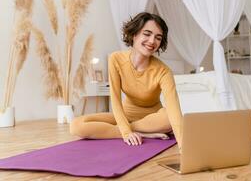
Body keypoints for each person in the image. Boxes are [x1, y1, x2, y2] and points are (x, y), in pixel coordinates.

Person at [70, 12, 182, 148]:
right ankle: (141, 132)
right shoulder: (115, 59)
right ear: (134, 34)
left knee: (169, 117)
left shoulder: (164, 71)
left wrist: (184, 147)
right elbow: (115, 100)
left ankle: (139, 129)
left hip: (154, 119)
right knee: (76, 125)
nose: (152, 41)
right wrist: (126, 131)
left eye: (158, 37)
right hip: (125, 114)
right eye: (147, 34)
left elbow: (174, 110)